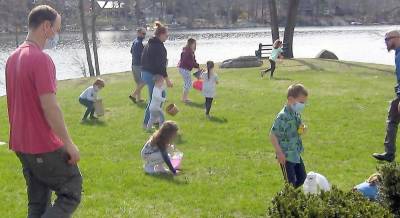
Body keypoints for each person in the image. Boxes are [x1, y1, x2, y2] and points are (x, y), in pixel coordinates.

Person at [5, 5, 82, 217]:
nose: (57, 34)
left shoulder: (12, 59)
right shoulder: (41, 59)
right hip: (41, 144)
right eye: (57, 29)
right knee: (71, 189)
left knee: (38, 203)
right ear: (46, 27)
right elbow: (50, 106)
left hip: (21, 143)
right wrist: (68, 143)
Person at [270, 84, 308, 188]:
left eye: (304, 103)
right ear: (291, 99)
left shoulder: (295, 113)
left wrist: (302, 129)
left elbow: (297, 131)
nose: (303, 105)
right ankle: (283, 201)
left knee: (302, 178)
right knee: (290, 183)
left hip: (295, 153)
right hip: (286, 156)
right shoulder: (283, 116)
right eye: (301, 102)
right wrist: (279, 153)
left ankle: (287, 197)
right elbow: (272, 135)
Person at [373, 30, 400, 162]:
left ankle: (389, 153)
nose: (386, 43)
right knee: (392, 119)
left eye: (387, 40)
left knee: (392, 119)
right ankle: (389, 153)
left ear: (396, 38)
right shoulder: (398, 53)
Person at [141, 21, 173, 129]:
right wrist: (167, 80)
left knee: (158, 96)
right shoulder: (159, 47)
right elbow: (161, 66)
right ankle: (147, 123)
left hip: (145, 73)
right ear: (161, 34)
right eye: (166, 35)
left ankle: (154, 120)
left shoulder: (149, 44)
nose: (167, 37)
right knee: (155, 99)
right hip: (151, 75)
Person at [178, 38, 201, 103]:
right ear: (191, 44)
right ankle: (184, 98)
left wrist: (197, 66)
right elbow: (188, 61)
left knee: (187, 83)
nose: (195, 45)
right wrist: (195, 65)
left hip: (183, 68)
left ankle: (184, 98)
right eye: (194, 43)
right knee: (188, 83)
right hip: (184, 69)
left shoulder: (188, 51)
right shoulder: (188, 51)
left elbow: (193, 61)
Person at [129, 27, 146, 103]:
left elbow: (131, 51)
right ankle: (133, 96)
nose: (144, 35)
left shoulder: (135, 41)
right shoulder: (139, 43)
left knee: (138, 82)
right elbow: (141, 56)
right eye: (143, 33)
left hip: (133, 64)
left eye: (145, 34)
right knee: (144, 81)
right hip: (138, 65)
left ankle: (139, 99)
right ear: (138, 33)